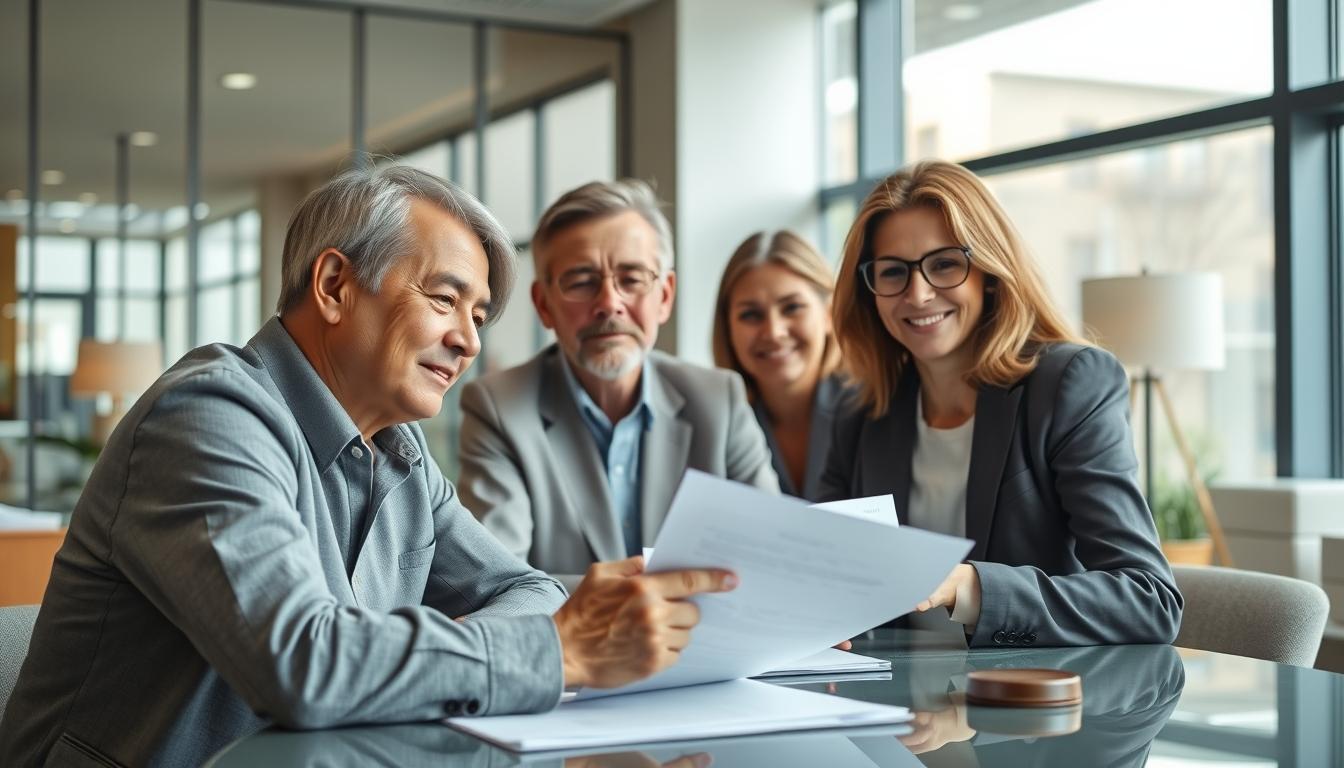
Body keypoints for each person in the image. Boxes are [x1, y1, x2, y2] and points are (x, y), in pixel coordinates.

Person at [0, 166, 735, 768]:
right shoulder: (206, 418)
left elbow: (525, 588)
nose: (469, 341)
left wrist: (557, 631)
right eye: (446, 299)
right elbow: (305, 664)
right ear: (333, 286)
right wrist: (558, 649)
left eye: (479, 316)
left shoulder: (401, 455)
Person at [819, 160, 1181, 647]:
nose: (919, 294)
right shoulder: (860, 411)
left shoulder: (1069, 385)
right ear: (870, 293)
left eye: (944, 264)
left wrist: (969, 587)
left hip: (1025, 711)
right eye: (893, 273)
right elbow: (822, 574)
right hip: (891, 708)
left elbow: (1149, 600)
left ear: (988, 273)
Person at [459, 179, 778, 590]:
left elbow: (771, 558)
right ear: (544, 306)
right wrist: (653, 595)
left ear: (664, 296)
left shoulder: (720, 400)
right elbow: (496, 582)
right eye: (581, 281)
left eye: (631, 278)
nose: (610, 302)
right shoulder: (499, 407)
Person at [712, 231, 846, 501]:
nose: (773, 332)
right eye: (751, 315)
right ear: (727, 328)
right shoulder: (716, 423)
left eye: (792, 308)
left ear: (828, 315)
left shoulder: (873, 410)